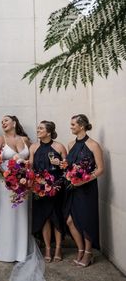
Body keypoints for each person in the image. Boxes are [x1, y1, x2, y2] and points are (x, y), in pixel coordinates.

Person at [62, 114, 104, 267]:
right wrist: (65, 168)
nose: (71, 126)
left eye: (73, 124)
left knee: (86, 221)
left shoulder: (94, 145)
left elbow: (100, 169)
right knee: (70, 220)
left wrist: (83, 181)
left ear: (82, 126)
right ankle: (80, 249)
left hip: (87, 189)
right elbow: (69, 166)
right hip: (72, 189)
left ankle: (88, 252)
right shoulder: (70, 144)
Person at [0, 115, 30, 262]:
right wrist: (6, 176)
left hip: (23, 183)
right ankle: (5, 252)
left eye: (6, 120)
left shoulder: (25, 139)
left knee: (21, 214)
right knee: (7, 213)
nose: (3, 123)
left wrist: (26, 175)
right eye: (1, 122)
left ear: (14, 123)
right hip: (5, 183)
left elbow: (30, 160)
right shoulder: (0, 139)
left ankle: (21, 252)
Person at [29, 121, 67, 263]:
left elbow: (67, 168)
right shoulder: (33, 147)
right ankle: (47, 248)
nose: (38, 130)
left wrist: (60, 164)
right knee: (44, 218)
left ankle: (58, 248)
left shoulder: (59, 146)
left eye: (41, 128)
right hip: (39, 187)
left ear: (49, 131)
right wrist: (35, 181)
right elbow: (31, 168)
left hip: (56, 187)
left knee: (56, 217)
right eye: (37, 128)